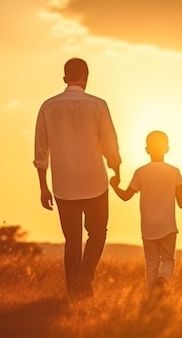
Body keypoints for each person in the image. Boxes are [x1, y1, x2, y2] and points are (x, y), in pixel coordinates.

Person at [34, 58, 121, 300]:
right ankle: (86, 274)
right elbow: (109, 145)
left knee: (72, 240)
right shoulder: (98, 105)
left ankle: (74, 290)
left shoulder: (48, 107)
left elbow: (41, 150)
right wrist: (116, 168)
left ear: (64, 78)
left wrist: (43, 186)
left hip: (64, 185)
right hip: (95, 182)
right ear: (86, 77)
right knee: (98, 233)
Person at [110, 131, 182, 293]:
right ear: (167, 148)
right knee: (168, 260)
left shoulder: (141, 172)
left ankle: (151, 296)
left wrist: (114, 185)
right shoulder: (174, 171)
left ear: (147, 149)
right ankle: (162, 280)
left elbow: (126, 196)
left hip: (148, 227)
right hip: (168, 226)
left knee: (151, 262)